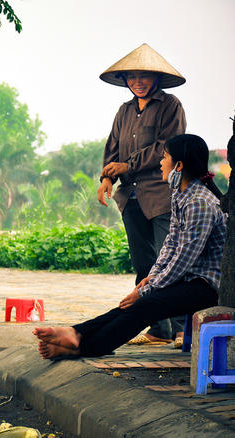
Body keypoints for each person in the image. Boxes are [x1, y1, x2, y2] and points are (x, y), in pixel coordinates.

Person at [35, 134, 226, 359]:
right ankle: (77, 332)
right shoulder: (181, 195)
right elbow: (170, 245)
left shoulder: (200, 203)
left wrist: (147, 289)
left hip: (208, 287)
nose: (160, 163)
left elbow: (184, 258)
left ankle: (83, 347)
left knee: (146, 304)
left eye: (164, 157)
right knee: (136, 301)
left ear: (179, 165)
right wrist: (150, 278)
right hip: (190, 279)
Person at [97, 43, 188, 347]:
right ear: (125, 80)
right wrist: (107, 178)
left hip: (161, 195)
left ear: (156, 78)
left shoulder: (170, 105)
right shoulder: (123, 111)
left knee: (170, 261)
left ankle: (180, 329)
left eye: (144, 76)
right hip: (130, 197)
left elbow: (167, 146)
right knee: (144, 265)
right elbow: (112, 147)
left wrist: (127, 164)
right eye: (132, 76)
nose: (137, 81)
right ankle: (158, 329)